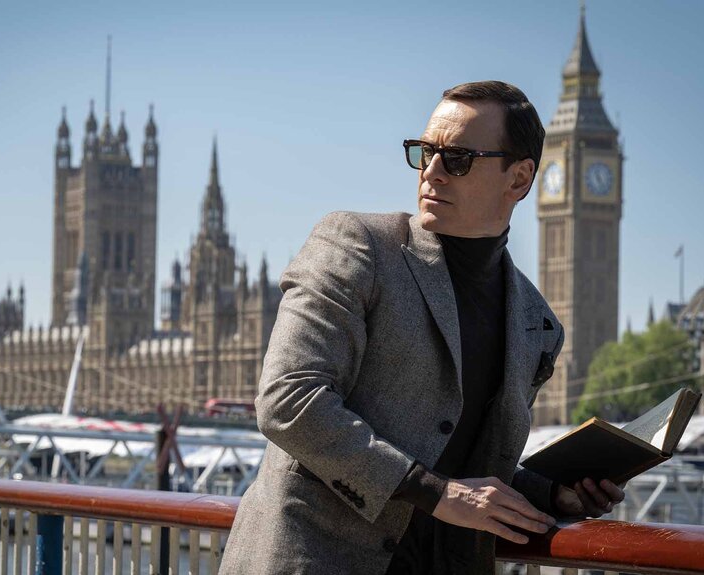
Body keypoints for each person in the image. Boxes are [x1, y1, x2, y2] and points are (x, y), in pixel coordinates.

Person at [220, 81, 624, 574]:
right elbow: (289, 400)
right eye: (425, 152)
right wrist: (435, 493)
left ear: (518, 180)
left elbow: (461, 462)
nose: (431, 173)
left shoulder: (537, 324)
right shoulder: (358, 247)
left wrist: (554, 493)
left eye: (457, 158)